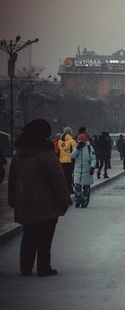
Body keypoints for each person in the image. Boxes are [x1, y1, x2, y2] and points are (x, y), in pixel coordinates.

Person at [8, 118, 72, 276]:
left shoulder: (18, 156)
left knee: (28, 235)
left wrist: (13, 200)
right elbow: (58, 181)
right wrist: (65, 201)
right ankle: (44, 267)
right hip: (46, 204)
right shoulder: (47, 155)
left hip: (25, 204)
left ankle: (25, 267)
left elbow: (12, 181)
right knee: (45, 237)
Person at [71, 133, 96, 208]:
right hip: (78, 170)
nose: (81, 141)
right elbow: (72, 156)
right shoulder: (77, 147)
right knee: (77, 187)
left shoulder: (89, 148)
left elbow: (93, 159)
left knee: (86, 188)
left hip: (87, 170)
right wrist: (77, 148)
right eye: (79, 140)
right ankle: (78, 200)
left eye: (82, 140)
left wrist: (92, 167)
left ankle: (85, 201)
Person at [58, 126, 76, 194]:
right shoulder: (72, 141)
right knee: (69, 175)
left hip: (61, 160)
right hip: (70, 161)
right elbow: (75, 151)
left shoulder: (60, 141)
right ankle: (70, 189)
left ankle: (63, 189)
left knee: (64, 175)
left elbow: (59, 151)